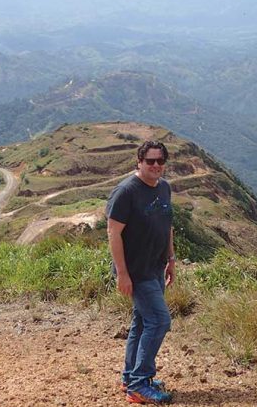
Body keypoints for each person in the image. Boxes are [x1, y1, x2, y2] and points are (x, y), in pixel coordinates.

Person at [106, 140, 176, 405]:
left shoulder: (165, 188)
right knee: (159, 321)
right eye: (150, 161)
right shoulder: (126, 192)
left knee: (142, 322)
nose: (156, 165)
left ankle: (130, 377)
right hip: (136, 271)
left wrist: (171, 258)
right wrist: (122, 273)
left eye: (160, 161)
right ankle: (138, 384)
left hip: (156, 267)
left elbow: (167, 225)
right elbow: (113, 233)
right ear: (139, 162)